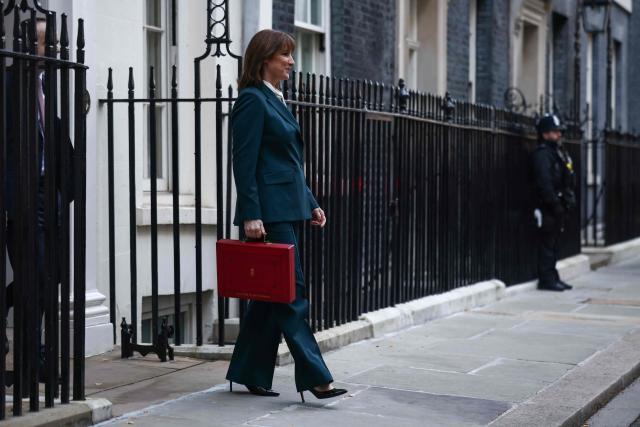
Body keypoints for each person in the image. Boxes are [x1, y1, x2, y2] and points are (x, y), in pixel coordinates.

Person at [225, 29, 347, 402]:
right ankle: (315, 376)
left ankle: (247, 370)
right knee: (291, 292)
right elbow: (244, 162)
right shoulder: (251, 101)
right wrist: (250, 214)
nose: (292, 61)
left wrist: (310, 200)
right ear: (265, 59)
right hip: (267, 214)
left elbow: (289, 162)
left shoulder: (275, 98)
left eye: (291, 55)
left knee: (270, 293)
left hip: (287, 207)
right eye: (285, 55)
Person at [3, 17, 74, 383]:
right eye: (44, 41)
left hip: (50, 193)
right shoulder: (9, 84)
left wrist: (64, 189)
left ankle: (35, 358)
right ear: (25, 42)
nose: (50, 49)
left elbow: (54, 137)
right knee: (36, 276)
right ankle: (32, 361)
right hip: (22, 197)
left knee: (51, 278)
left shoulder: (50, 82)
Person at [531, 114, 576, 292]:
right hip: (548, 207)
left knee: (554, 244)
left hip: (558, 205)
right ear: (544, 134)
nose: (558, 135)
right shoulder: (542, 155)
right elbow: (544, 182)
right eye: (554, 132)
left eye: (559, 132)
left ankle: (553, 276)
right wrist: (555, 204)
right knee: (548, 244)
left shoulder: (556, 153)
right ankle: (547, 279)